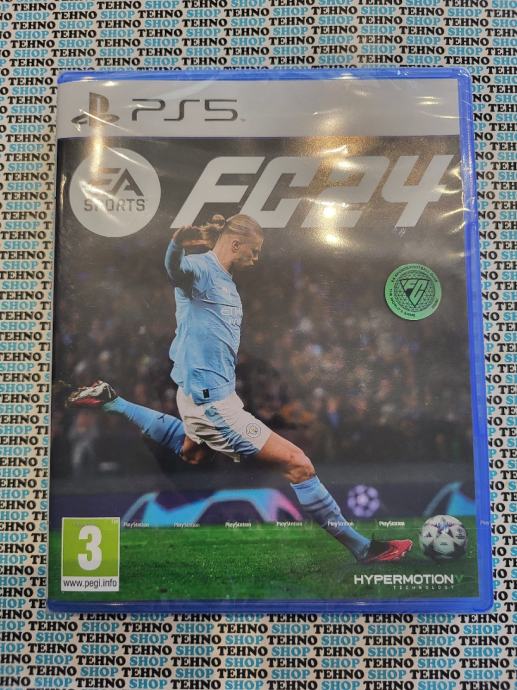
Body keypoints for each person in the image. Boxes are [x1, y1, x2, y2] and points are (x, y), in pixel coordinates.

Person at [68, 213, 412, 563]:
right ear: (236, 244)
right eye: (255, 250)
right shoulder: (201, 268)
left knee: (192, 452)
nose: (257, 258)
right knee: (299, 464)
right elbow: (175, 271)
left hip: (206, 397)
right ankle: (363, 549)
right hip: (213, 404)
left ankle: (113, 402)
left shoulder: (226, 282)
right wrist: (176, 244)